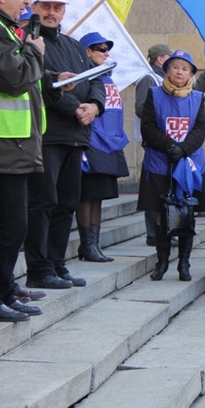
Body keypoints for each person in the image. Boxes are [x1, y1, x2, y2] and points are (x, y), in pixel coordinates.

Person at [0, 0, 74, 321]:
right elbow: (13, 77)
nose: (27, 0)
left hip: (16, 144)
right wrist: (35, 51)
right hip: (0, 144)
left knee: (12, 224)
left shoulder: (7, 30)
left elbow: (25, 78)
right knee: (9, 226)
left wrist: (54, 82)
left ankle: (4, 288)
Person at [25, 0, 106, 290]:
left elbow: (96, 79)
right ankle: (39, 268)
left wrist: (95, 106)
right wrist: (76, 108)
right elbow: (41, 85)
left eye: (57, 7)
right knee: (43, 203)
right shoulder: (29, 41)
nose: (51, 12)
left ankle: (57, 264)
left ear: (64, 11)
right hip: (48, 135)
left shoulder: (74, 45)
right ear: (34, 6)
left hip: (77, 137)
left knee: (66, 204)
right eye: (46, 6)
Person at [137, 50, 205, 282]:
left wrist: (183, 149)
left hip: (187, 165)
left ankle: (184, 263)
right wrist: (170, 147)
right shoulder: (154, 94)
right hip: (161, 163)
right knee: (162, 216)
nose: (180, 72)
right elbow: (147, 126)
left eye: (185, 68)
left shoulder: (198, 98)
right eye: (175, 67)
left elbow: (200, 129)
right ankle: (161, 262)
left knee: (186, 213)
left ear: (190, 73)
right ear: (167, 70)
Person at [75, 31, 129, 262]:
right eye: (100, 49)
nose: (106, 53)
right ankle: (86, 245)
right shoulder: (81, 77)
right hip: (91, 143)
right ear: (87, 52)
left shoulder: (108, 78)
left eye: (107, 49)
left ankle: (94, 244)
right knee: (86, 195)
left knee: (98, 197)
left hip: (110, 145)